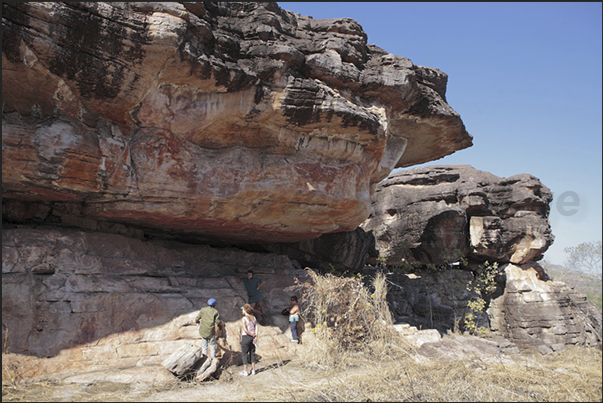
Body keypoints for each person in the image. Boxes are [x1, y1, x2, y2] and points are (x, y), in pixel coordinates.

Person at [239, 303, 259, 376]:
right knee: (252, 353)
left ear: (245, 310)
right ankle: (253, 370)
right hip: (253, 337)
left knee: (244, 354)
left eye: (243, 310)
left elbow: (245, 329)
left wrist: (251, 334)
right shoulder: (254, 318)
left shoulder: (244, 318)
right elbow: (256, 327)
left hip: (246, 336)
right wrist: (255, 336)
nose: (242, 311)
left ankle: (245, 371)